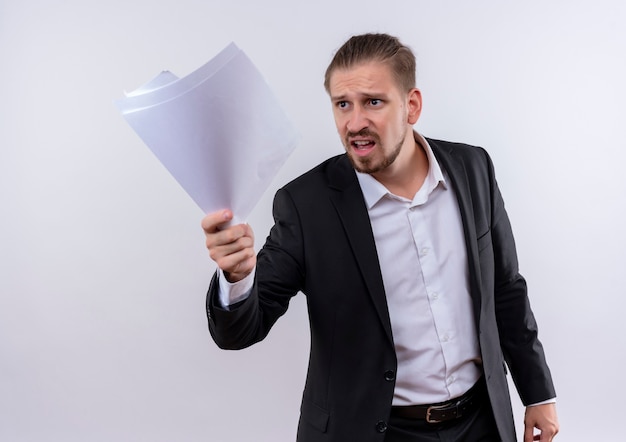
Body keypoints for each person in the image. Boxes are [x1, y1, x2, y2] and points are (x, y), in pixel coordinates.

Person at [201, 33, 558, 442]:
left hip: (482, 423)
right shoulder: (307, 205)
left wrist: (539, 393)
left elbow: (506, 289)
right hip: (376, 431)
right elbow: (240, 331)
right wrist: (237, 278)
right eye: (342, 104)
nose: (355, 123)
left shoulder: (472, 167)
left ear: (412, 105)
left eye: (373, 102)